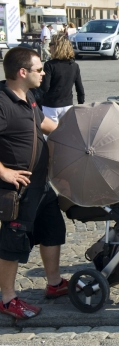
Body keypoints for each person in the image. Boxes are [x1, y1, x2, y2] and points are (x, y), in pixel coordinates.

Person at [0, 47, 69, 319]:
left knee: (52, 230)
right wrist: (4, 172)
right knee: (13, 242)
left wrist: (76, 133)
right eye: (39, 69)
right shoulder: (2, 103)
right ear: (22, 72)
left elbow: (43, 124)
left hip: (40, 185)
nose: (43, 73)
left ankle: (54, 284)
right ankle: (7, 298)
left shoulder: (27, 96)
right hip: (18, 189)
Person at [40, 35, 85, 123]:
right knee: (64, 133)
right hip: (67, 105)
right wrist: (81, 103)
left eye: (51, 44)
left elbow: (45, 87)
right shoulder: (74, 66)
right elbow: (80, 88)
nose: (49, 46)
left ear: (56, 47)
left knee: (50, 134)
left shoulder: (49, 65)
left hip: (50, 105)